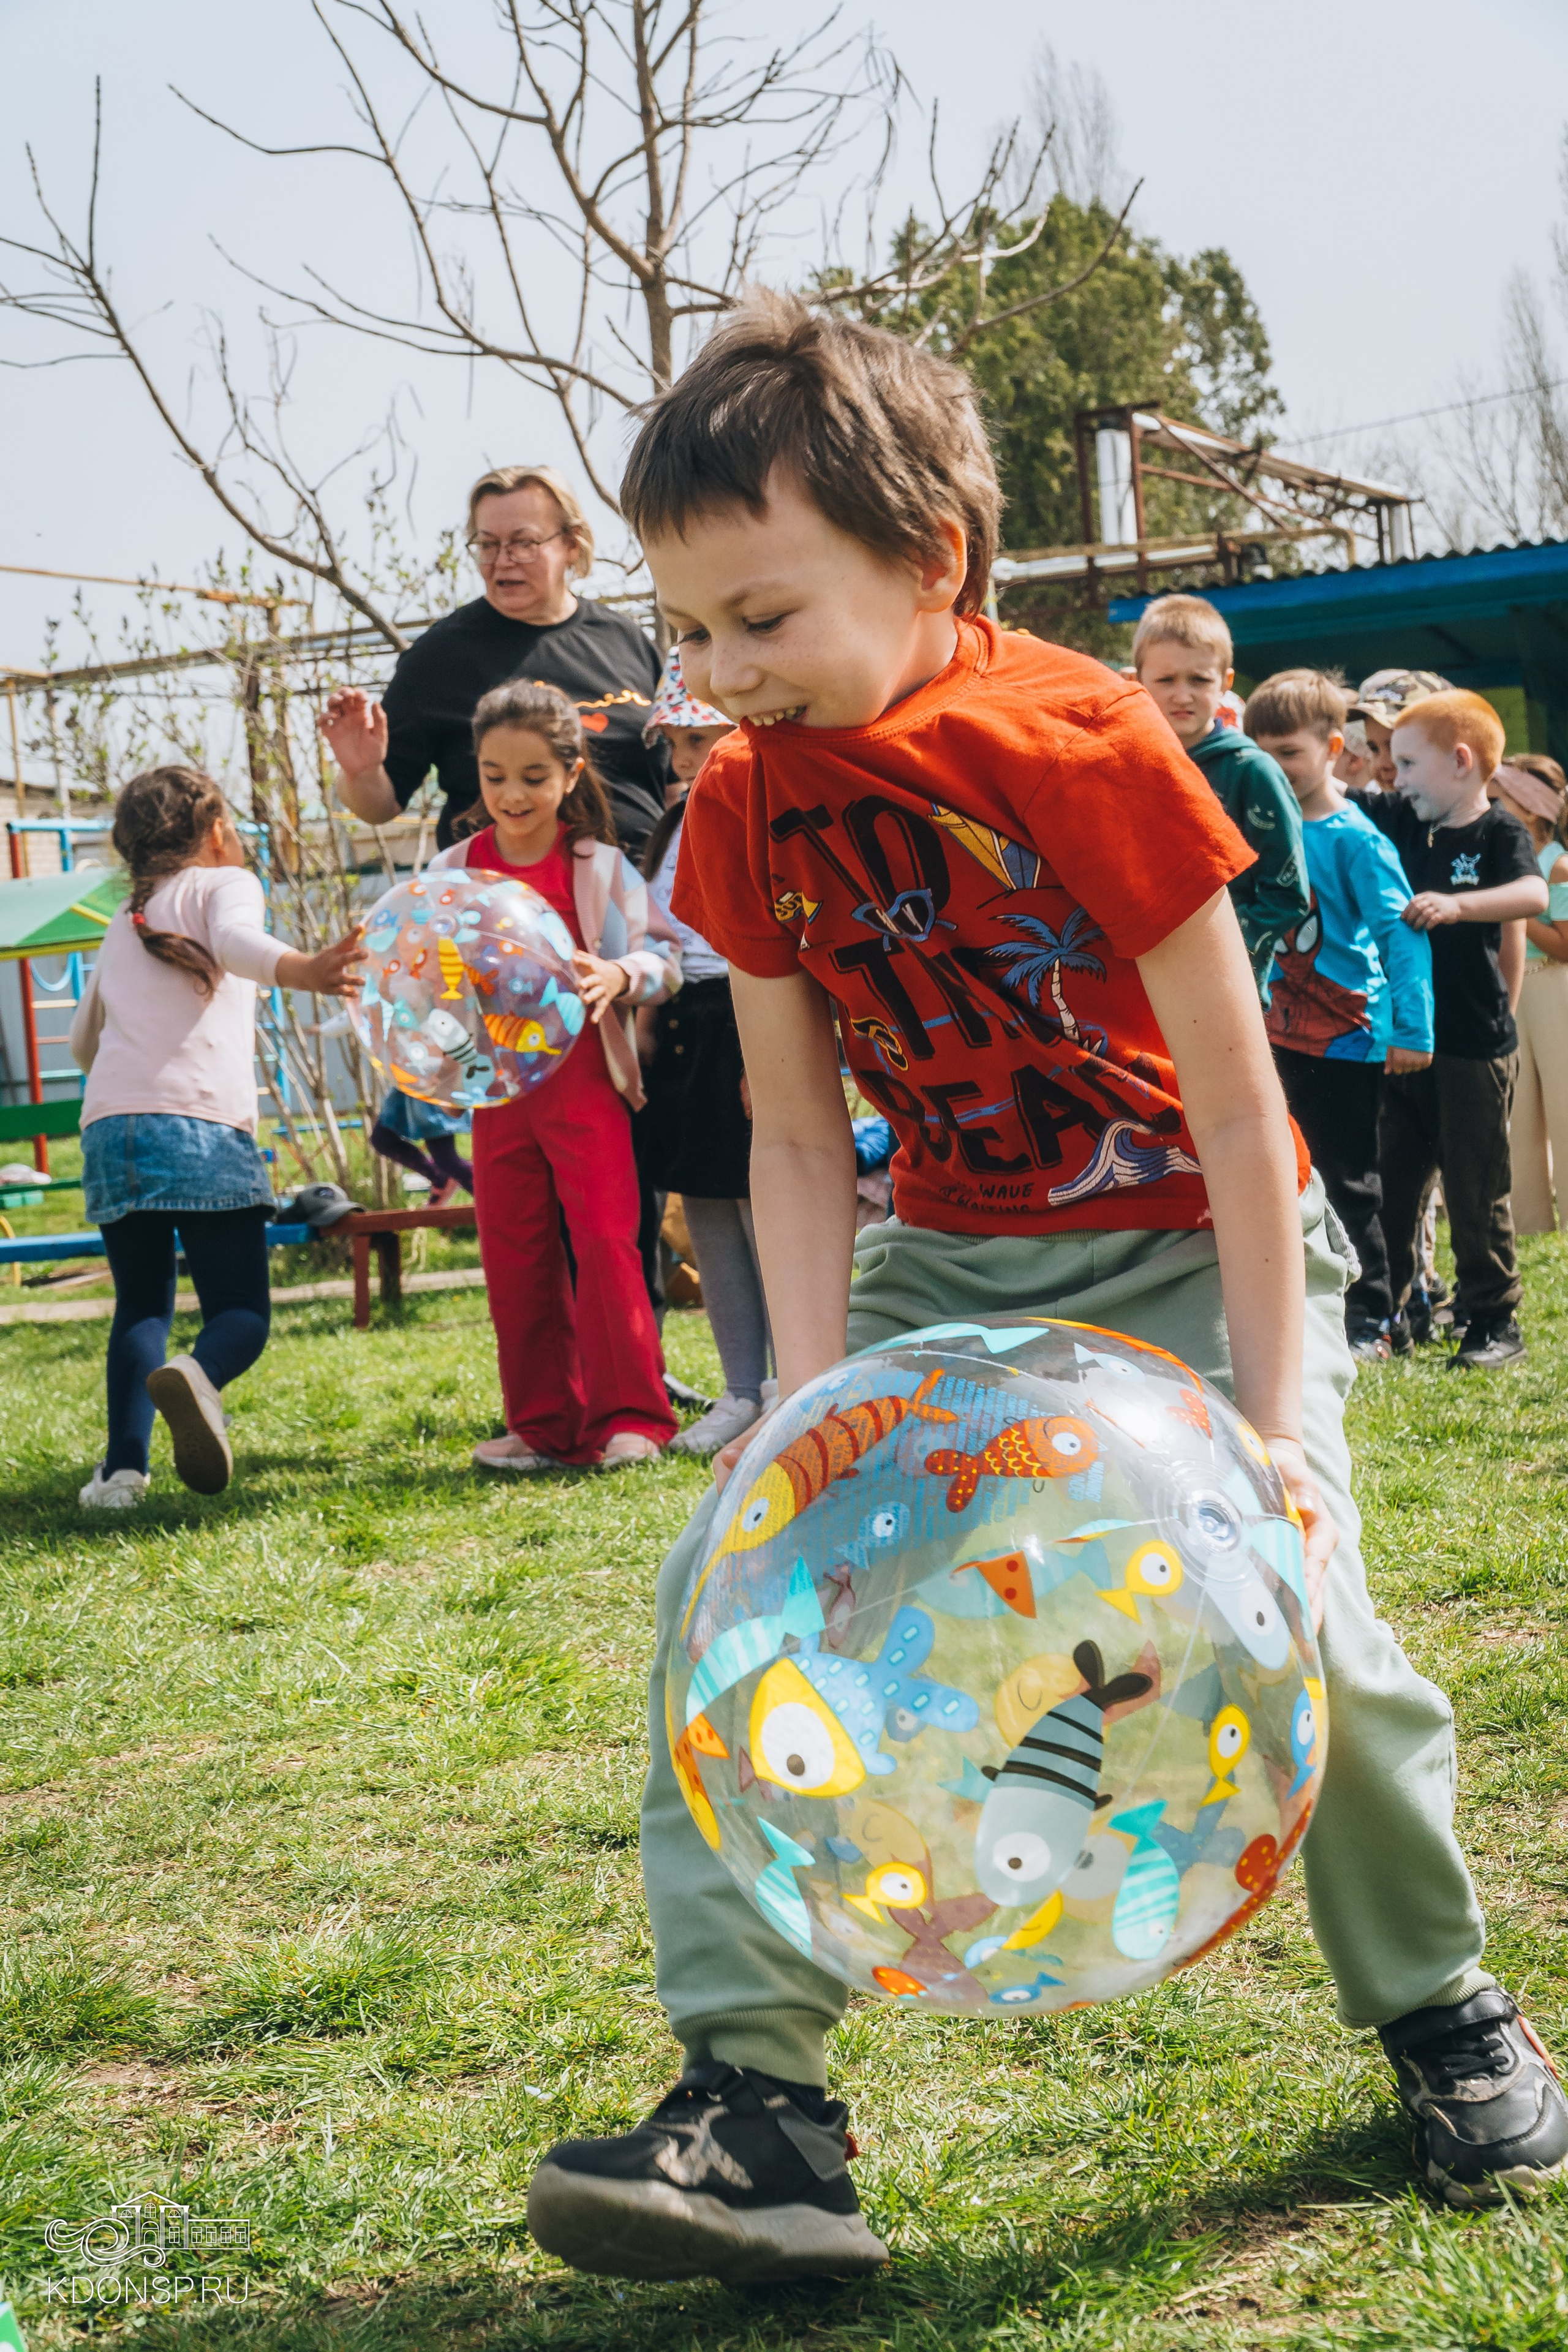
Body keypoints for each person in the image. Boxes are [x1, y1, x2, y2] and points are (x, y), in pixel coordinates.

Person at [523, 296, 1567, 2282]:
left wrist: (1276, 1431)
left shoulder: (1083, 742)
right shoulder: (749, 794)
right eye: (696, 632)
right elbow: (803, 1137)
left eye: (765, 618)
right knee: (725, 1601)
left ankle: (1443, 2010)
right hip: (955, 1257)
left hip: (1194, 1238)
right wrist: (809, 1431)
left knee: (1308, 1624)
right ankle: (764, 2114)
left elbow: (1243, 1103)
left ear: (932, 566)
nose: (724, 675)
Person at [70, 766, 363, 1506]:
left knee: (141, 1306)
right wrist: (306, 969)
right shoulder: (221, 884)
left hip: (111, 1130)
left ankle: (122, 1474)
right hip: (201, 1125)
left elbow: (83, 1042)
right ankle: (198, 1376)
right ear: (214, 832)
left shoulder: (121, 922)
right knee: (239, 1312)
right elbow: (236, 943)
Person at [428, 679, 679, 1471]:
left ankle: (633, 1418)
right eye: (494, 775)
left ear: (571, 774)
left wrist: (619, 974)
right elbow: (424, 979)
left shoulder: (598, 866)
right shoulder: (453, 867)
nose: (510, 794)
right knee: (514, 1252)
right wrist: (446, 1043)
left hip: (585, 1087)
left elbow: (665, 959)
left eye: (533, 776)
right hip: (496, 1094)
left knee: (607, 1244)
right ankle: (544, 1426)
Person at [320, 464, 669, 861]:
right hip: (503, 909)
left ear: (572, 544)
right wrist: (361, 773)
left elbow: (675, 780)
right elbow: (381, 807)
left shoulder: (625, 641)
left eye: (523, 543)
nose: (503, 561)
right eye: (487, 545)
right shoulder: (439, 657)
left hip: (641, 896)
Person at [1349, 695, 1548, 1368]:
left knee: (1474, 1188)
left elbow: (1533, 897)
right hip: (1402, 1042)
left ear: (1461, 763)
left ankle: (1493, 1321)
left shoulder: (1497, 832)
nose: (1392, 775)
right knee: (1393, 1188)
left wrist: (1459, 905)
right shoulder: (1401, 818)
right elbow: (1331, 799)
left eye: (1406, 762)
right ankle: (1389, 1314)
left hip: (1472, 1045)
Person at [1246, 669, 1434, 1363]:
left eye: (1288, 752)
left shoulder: (1356, 838)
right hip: (1272, 1032)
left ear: (1330, 748)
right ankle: (1312, 1309)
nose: (1274, 767)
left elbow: (1401, 934)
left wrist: (1412, 1030)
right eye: (1260, 752)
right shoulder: (1261, 826)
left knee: (1352, 1184)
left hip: (1348, 1040)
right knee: (1287, 1179)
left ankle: (1374, 1319)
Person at [635, 649, 767, 1458]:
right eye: (676, 746)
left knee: (767, 1210)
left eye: (700, 739)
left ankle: (795, 1379)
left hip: (748, 1020)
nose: (684, 761)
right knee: (708, 1212)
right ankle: (741, 1387)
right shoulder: (674, 826)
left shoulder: (761, 811)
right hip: (684, 1030)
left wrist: (766, 1056)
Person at [1131, 594, 1310, 995]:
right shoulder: (1127, 766)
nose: (1182, 695)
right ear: (1137, 679)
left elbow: (1286, 893)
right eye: (1166, 680)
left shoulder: (1252, 771)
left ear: (1226, 682)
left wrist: (1223, 955)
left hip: (1224, 986)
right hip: (1140, 980)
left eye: (1199, 680)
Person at [1493, 753, 1568, 1232]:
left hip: (1555, 990)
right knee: (1518, 1112)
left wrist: (1517, 908)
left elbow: (1565, 945)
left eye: (1503, 797)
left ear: (1531, 807)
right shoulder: (1506, 857)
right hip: (1516, 991)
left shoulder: (1558, 866)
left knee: (1564, 1105)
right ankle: (1528, 1222)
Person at [368, 1090, 472, 1207]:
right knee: (382, 1139)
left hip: (431, 1085)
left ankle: (493, 1199)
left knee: (446, 1160)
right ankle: (441, 1178)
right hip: (411, 1084)